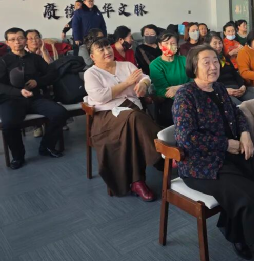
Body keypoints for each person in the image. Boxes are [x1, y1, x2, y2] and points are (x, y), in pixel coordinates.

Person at [172, 45, 254, 261]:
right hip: (202, 165)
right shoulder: (185, 95)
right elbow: (187, 138)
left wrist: (244, 133)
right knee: (249, 198)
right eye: (206, 62)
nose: (213, 66)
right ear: (193, 67)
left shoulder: (219, 88)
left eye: (215, 61)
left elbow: (237, 113)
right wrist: (225, 144)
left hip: (234, 152)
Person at [83, 37, 161, 201]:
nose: (107, 51)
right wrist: (127, 83)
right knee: (134, 118)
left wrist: (143, 84)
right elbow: (100, 96)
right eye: (101, 50)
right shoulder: (91, 73)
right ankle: (162, 153)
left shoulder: (126, 65)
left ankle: (137, 182)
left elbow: (145, 77)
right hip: (106, 116)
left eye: (108, 47)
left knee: (133, 124)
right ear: (92, 56)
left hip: (132, 111)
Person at [0, 28, 67, 169]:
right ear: (7, 43)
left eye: (20, 38)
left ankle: (47, 146)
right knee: (8, 123)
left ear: (25, 40)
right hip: (11, 100)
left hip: (34, 98)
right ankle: (18, 156)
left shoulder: (35, 59)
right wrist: (18, 92)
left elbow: (52, 74)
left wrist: (38, 82)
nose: (17, 42)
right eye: (12, 39)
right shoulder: (3, 61)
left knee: (60, 113)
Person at [150, 31, 190, 127]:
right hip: (169, 100)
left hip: (189, 95)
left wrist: (179, 88)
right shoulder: (155, 65)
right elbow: (163, 90)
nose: (169, 46)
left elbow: (195, 80)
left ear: (177, 45)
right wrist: (184, 91)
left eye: (173, 43)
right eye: (166, 43)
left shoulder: (184, 60)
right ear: (160, 45)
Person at [206, 32, 254, 105]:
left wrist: (242, 86)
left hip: (238, 89)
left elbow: (235, 73)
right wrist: (225, 90)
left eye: (220, 43)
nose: (218, 46)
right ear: (208, 45)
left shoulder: (225, 58)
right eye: (215, 43)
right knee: (241, 107)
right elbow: (209, 82)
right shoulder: (207, 62)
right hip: (224, 92)